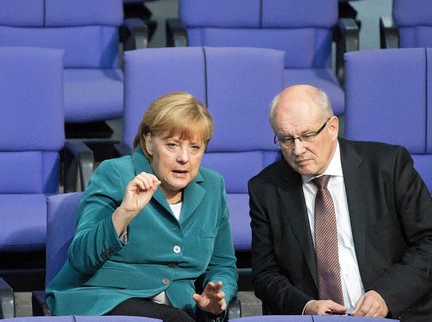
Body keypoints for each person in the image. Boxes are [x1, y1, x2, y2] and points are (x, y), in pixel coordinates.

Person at [46, 92, 238, 322]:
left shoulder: (213, 186)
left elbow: (223, 265)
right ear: (148, 142)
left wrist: (218, 296)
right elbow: (81, 259)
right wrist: (124, 213)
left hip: (177, 307)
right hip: (105, 299)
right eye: (172, 145)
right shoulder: (115, 174)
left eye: (195, 147)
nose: (184, 158)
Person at [248, 84, 432, 320]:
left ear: (332, 127)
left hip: (395, 315)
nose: (298, 149)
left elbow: (428, 241)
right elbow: (265, 274)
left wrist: (386, 296)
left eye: (307, 136)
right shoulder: (266, 188)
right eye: (286, 139)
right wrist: (306, 306)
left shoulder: (387, 167)